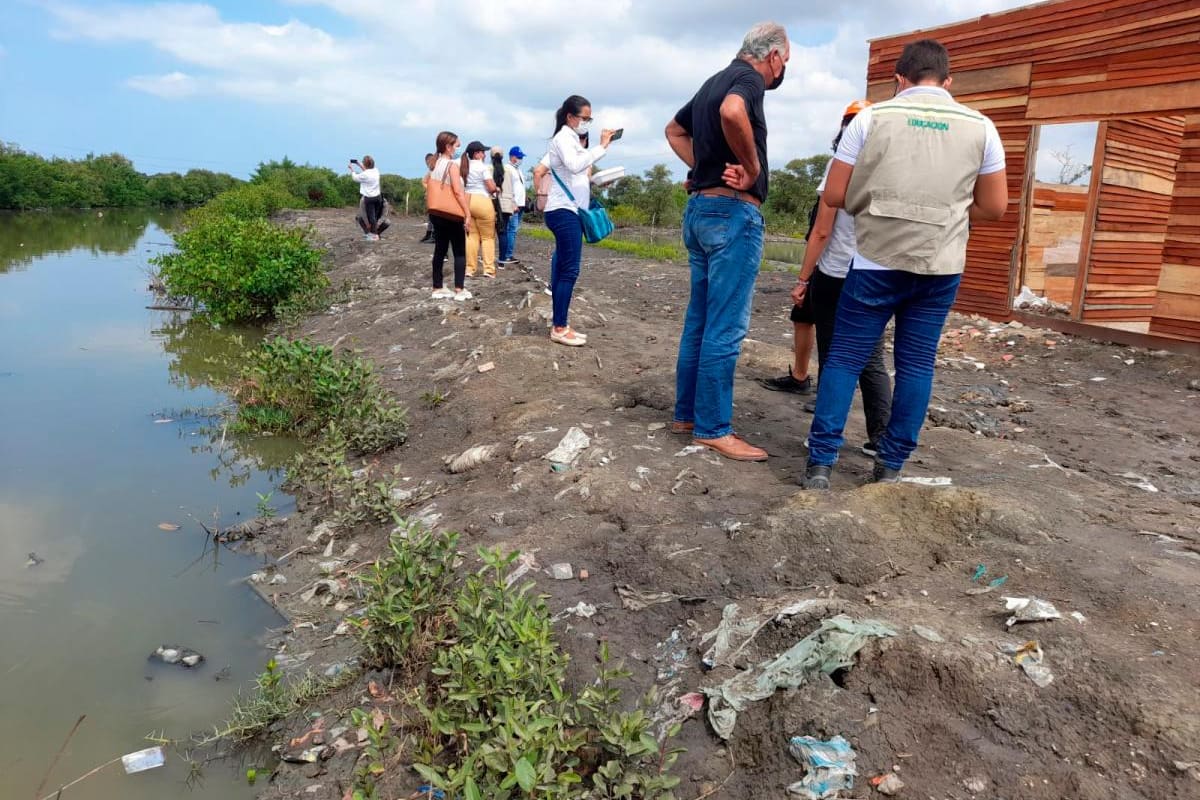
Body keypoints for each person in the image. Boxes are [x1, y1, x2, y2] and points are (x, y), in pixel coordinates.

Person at [803, 39, 1008, 489]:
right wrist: (948, 213)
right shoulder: (982, 127)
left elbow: (834, 196)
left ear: (899, 78)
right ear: (948, 81)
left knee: (844, 358)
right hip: (940, 265)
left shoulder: (871, 119)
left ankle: (820, 464)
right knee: (916, 364)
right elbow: (995, 207)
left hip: (876, 259)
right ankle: (889, 467)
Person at [663, 21, 789, 462]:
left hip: (700, 212)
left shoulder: (712, 80)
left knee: (699, 319)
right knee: (725, 326)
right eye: (784, 62)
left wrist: (704, 168)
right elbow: (734, 112)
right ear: (773, 56)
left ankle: (686, 415)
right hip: (733, 214)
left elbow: (673, 130)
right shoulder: (747, 79)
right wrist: (750, 168)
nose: (781, 70)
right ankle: (713, 427)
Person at [788, 101, 892, 457]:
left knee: (835, 357)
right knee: (872, 359)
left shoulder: (840, 165)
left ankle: (826, 439)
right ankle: (881, 439)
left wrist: (803, 279)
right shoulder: (887, 164)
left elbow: (821, 230)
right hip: (877, 272)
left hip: (837, 274)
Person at [545, 96, 615, 346]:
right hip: (562, 211)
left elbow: (576, 175)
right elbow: (575, 166)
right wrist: (602, 147)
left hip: (568, 209)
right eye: (585, 118)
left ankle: (560, 323)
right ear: (570, 117)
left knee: (564, 269)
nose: (587, 122)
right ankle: (559, 327)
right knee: (569, 270)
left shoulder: (571, 139)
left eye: (589, 119)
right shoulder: (563, 139)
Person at [426, 131, 473, 301]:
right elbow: (458, 192)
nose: (458, 149)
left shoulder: (435, 163)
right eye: (457, 145)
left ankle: (437, 287)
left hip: (437, 212)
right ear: (448, 146)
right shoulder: (451, 166)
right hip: (452, 214)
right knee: (459, 251)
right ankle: (459, 289)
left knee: (440, 249)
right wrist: (467, 214)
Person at [462, 140, 498, 279]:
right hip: (482, 200)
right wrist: (497, 189)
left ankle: (470, 269)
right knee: (488, 237)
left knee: (471, 236)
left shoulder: (464, 166)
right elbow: (490, 187)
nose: (484, 154)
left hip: (467, 200)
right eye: (483, 152)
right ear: (477, 154)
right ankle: (488, 269)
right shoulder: (483, 168)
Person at [499, 146, 527, 264]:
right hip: (513, 204)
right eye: (518, 157)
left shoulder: (518, 170)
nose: (520, 159)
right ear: (512, 157)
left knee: (514, 230)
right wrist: (512, 202)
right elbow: (507, 188)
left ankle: (509, 253)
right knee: (511, 229)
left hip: (521, 204)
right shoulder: (507, 169)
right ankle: (507, 254)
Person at [348, 155, 382, 240]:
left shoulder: (365, 174)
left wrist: (351, 169)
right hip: (378, 197)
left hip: (369, 198)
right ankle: (374, 233)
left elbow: (355, 178)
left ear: (365, 164)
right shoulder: (376, 171)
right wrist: (359, 164)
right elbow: (367, 171)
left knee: (371, 217)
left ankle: (374, 235)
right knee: (375, 216)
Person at [490, 147, 508, 264]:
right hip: (506, 204)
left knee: (489, 233)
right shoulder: (508, 170)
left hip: (492, 203)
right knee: (503, 232)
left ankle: (489, 259)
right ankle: (502, 260)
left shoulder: (488, 169)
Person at [420, 153, 436, 243]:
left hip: (434, 196)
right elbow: (424, 181)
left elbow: (424, 181)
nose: (427, 164)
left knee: (433, 216)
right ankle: (429, 234)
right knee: (430, 216)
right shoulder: (431, 171)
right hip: (431, 196)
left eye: (428, 162)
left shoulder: (435, 171)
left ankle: (433, 235)